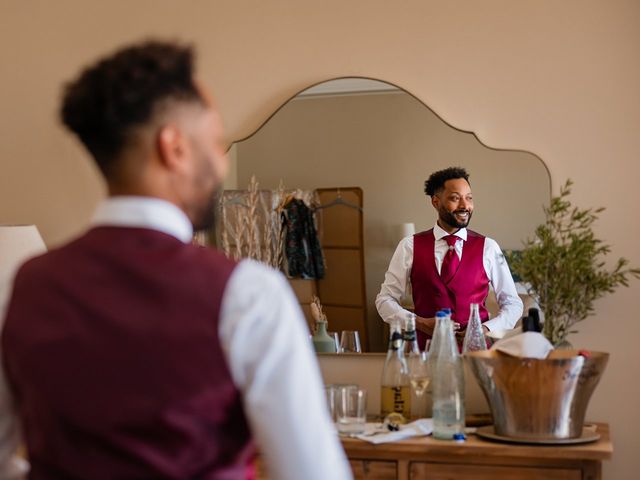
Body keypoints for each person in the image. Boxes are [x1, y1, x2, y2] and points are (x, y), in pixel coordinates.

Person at [0, 41, 352, 480]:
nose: (221, 167)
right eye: (215, 140)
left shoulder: (27, 285)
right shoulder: (248, 293)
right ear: (175, 147)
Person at [376, 167, 523, 350]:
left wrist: (485, 328)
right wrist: (420, 323)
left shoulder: (489, 247)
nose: (464, 206)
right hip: (426, 353)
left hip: (476, 355)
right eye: (455, 198)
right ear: (436, 202)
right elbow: (384, 300)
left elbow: (513, 303)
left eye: (469, 197)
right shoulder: (409, 246)